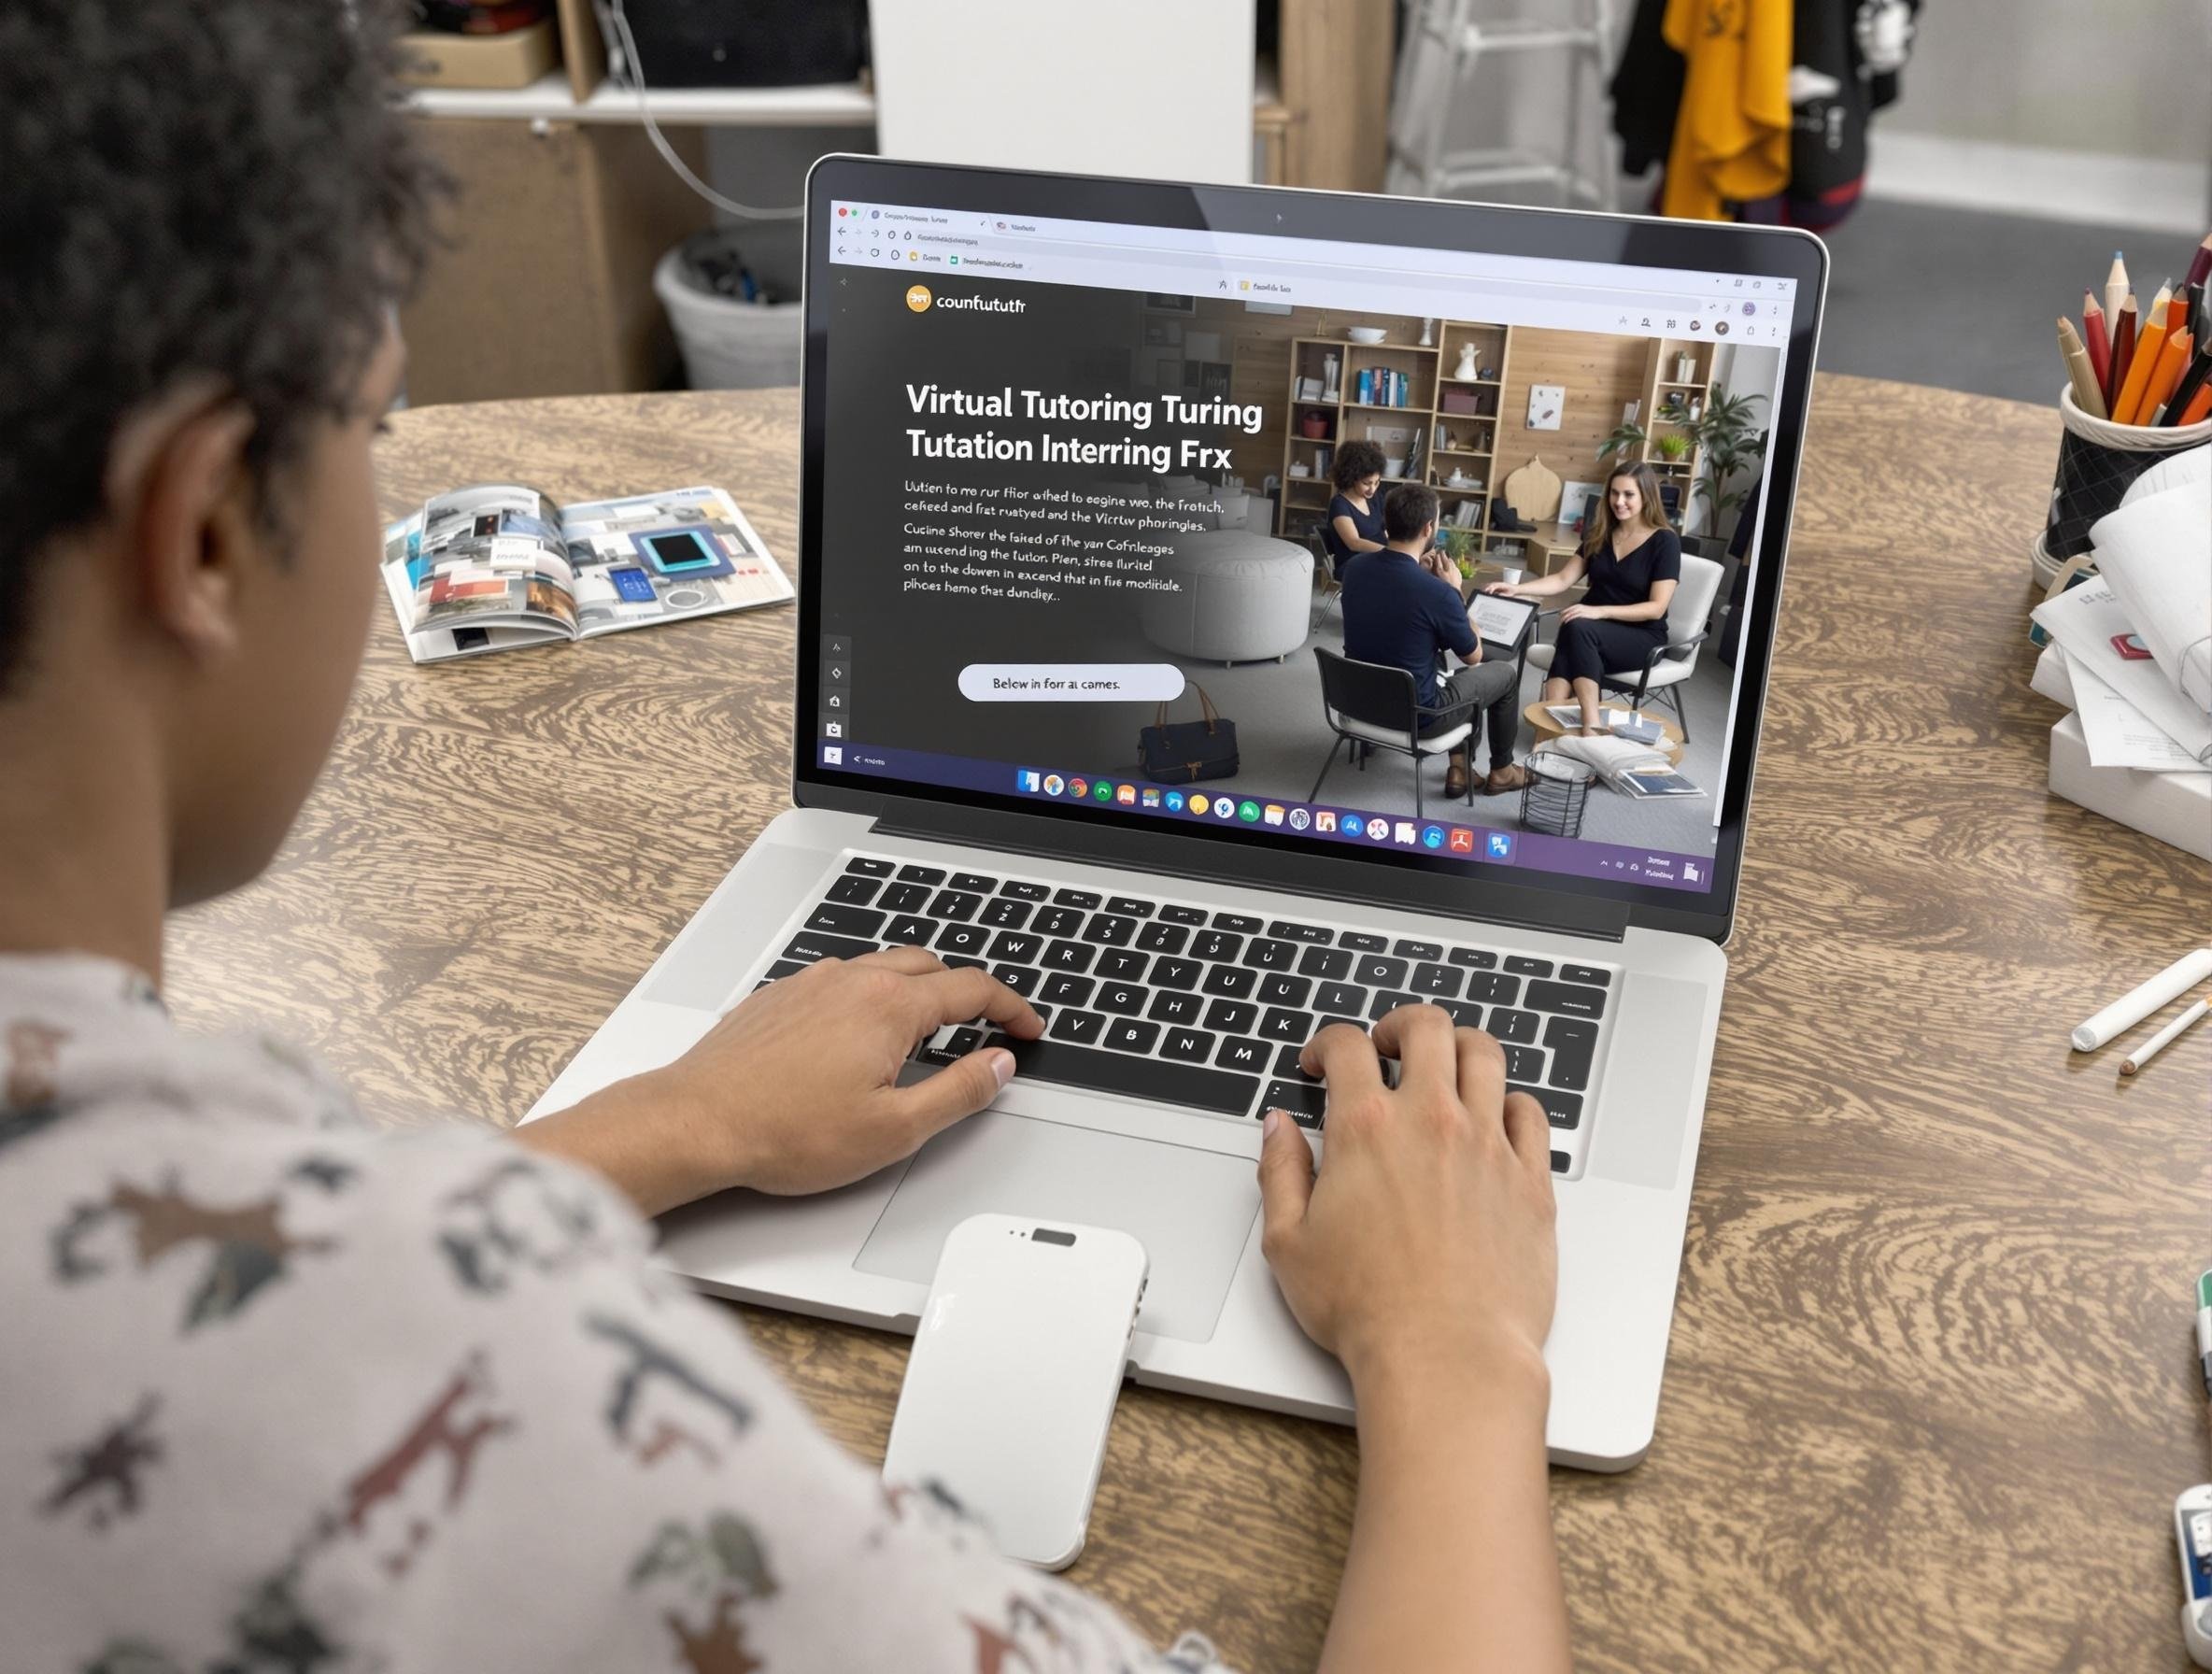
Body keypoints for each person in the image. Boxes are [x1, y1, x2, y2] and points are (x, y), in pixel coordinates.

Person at [0, 7, 1569, 1672]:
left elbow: (278, 1297)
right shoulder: (480, 1391)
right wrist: (1456, 1350)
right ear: (211, 523)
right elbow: (346, 1331)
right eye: (375, 422)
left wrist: (669, 1117)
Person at [1340, 485, 1531, 801]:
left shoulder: (1354, 569)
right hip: (1418, 717)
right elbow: (1473, 655)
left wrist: (1420, 577)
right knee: (1501, 674)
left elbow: (1395, 607)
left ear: (1387, 523)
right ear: (1429, 528)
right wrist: (1454, 590)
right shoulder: (1437, 592)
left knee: (1432, 656)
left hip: (1357, 703)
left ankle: (1460, 767)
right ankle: (1503, 771)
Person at [1487, 462, 1681, 736]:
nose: (1619, 501)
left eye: (1628, 495)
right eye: (1614, 493)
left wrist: (1599, 612)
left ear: (1646, 496)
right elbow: (1563, 579)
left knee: (1576, 626)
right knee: (1574, 626)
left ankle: (1582, 726)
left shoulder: (1665, 542)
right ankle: (1557, 727)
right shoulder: (1599, 534)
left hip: (1641, 636)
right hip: (1589, 631)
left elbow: (1656, 607)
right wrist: (1517, 589)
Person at [1320, 440, 1387, 576]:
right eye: (1366, 483)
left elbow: (1385, 530)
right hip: (1353, 565)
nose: (1372, 489)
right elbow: (1354, 543)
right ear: (1352, 478)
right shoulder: (1339, 504)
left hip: (1379, 558)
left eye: (1377, 482)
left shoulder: (1375, 498)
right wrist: (1391, 552)